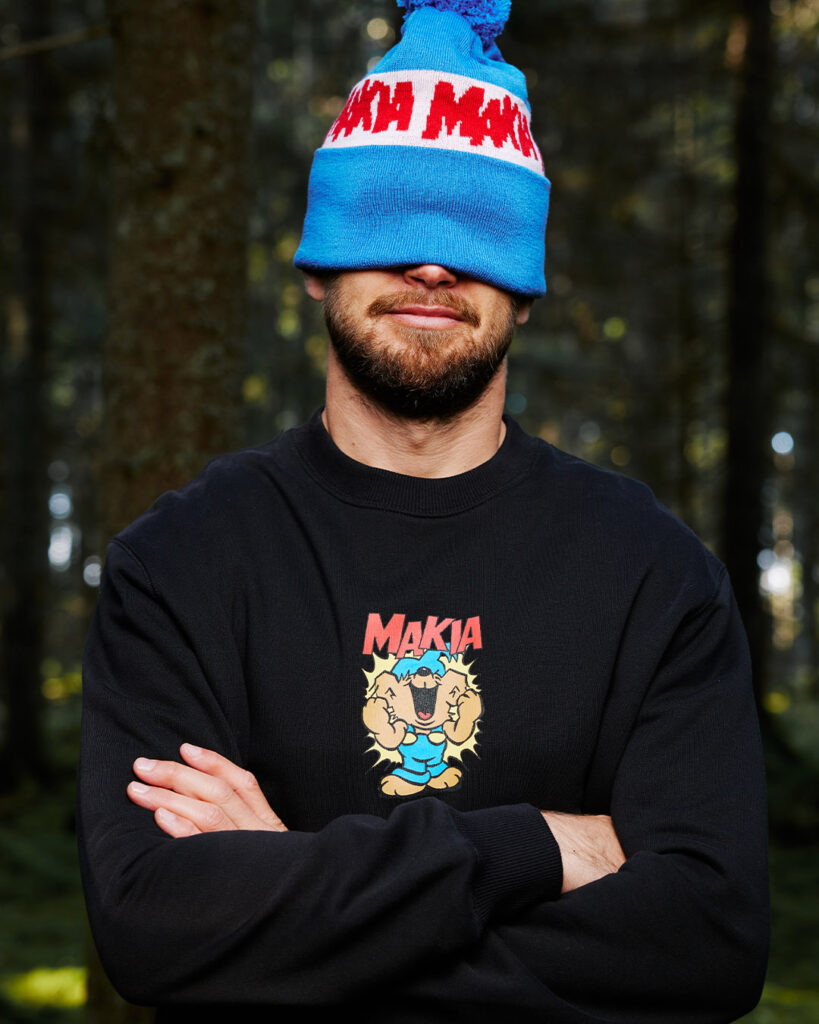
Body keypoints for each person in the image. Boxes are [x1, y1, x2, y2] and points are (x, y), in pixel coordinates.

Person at [78, 2, 769, 1021]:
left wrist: (295, 895)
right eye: (391, 224)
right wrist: (542, 843)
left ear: (525, 291)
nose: (434, 267)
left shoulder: (652, 574)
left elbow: (709, 943)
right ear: (317, 266)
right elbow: (153, 922)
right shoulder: (180, 565)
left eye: (478, 234)